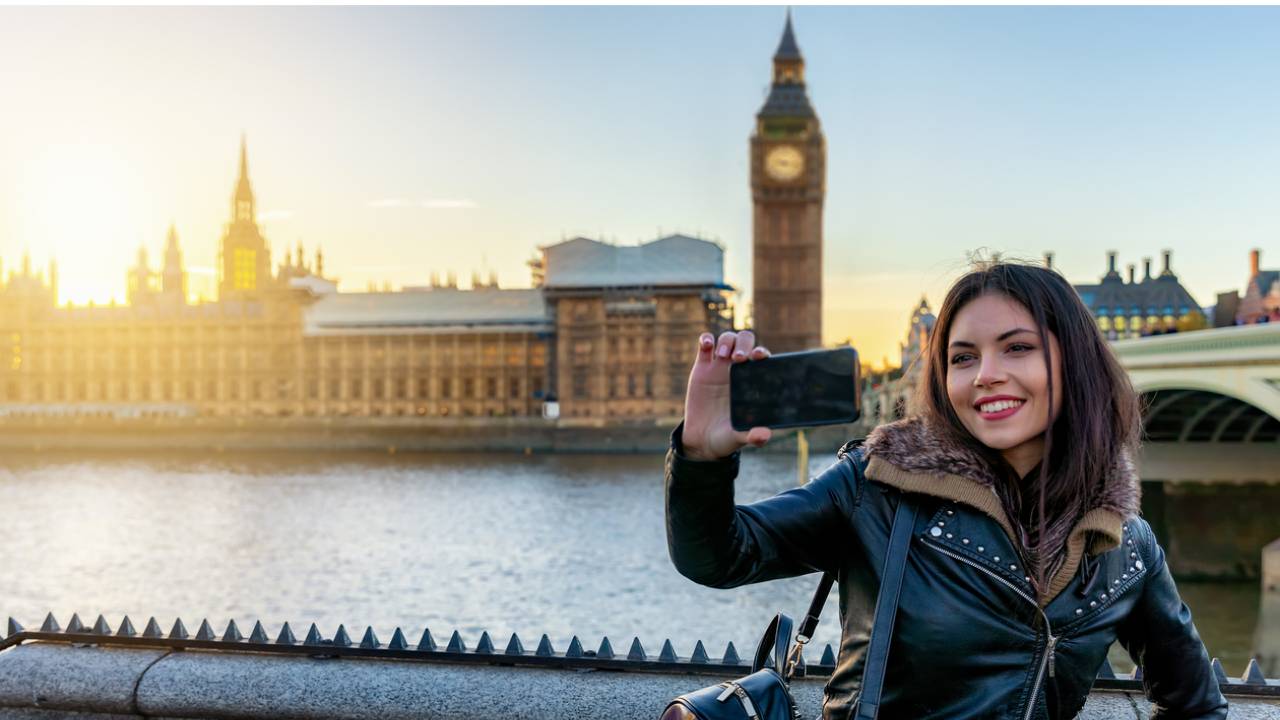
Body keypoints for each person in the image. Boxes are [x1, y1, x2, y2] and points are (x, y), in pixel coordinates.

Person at [665, 261, 1227, 719]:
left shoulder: (1125, 547)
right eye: (963, 357)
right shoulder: (877, 485)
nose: (985, 373)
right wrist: (702, 457)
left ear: (1074, 363)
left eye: (1017, 348)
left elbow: (1196, 706)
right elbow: (718, 556)